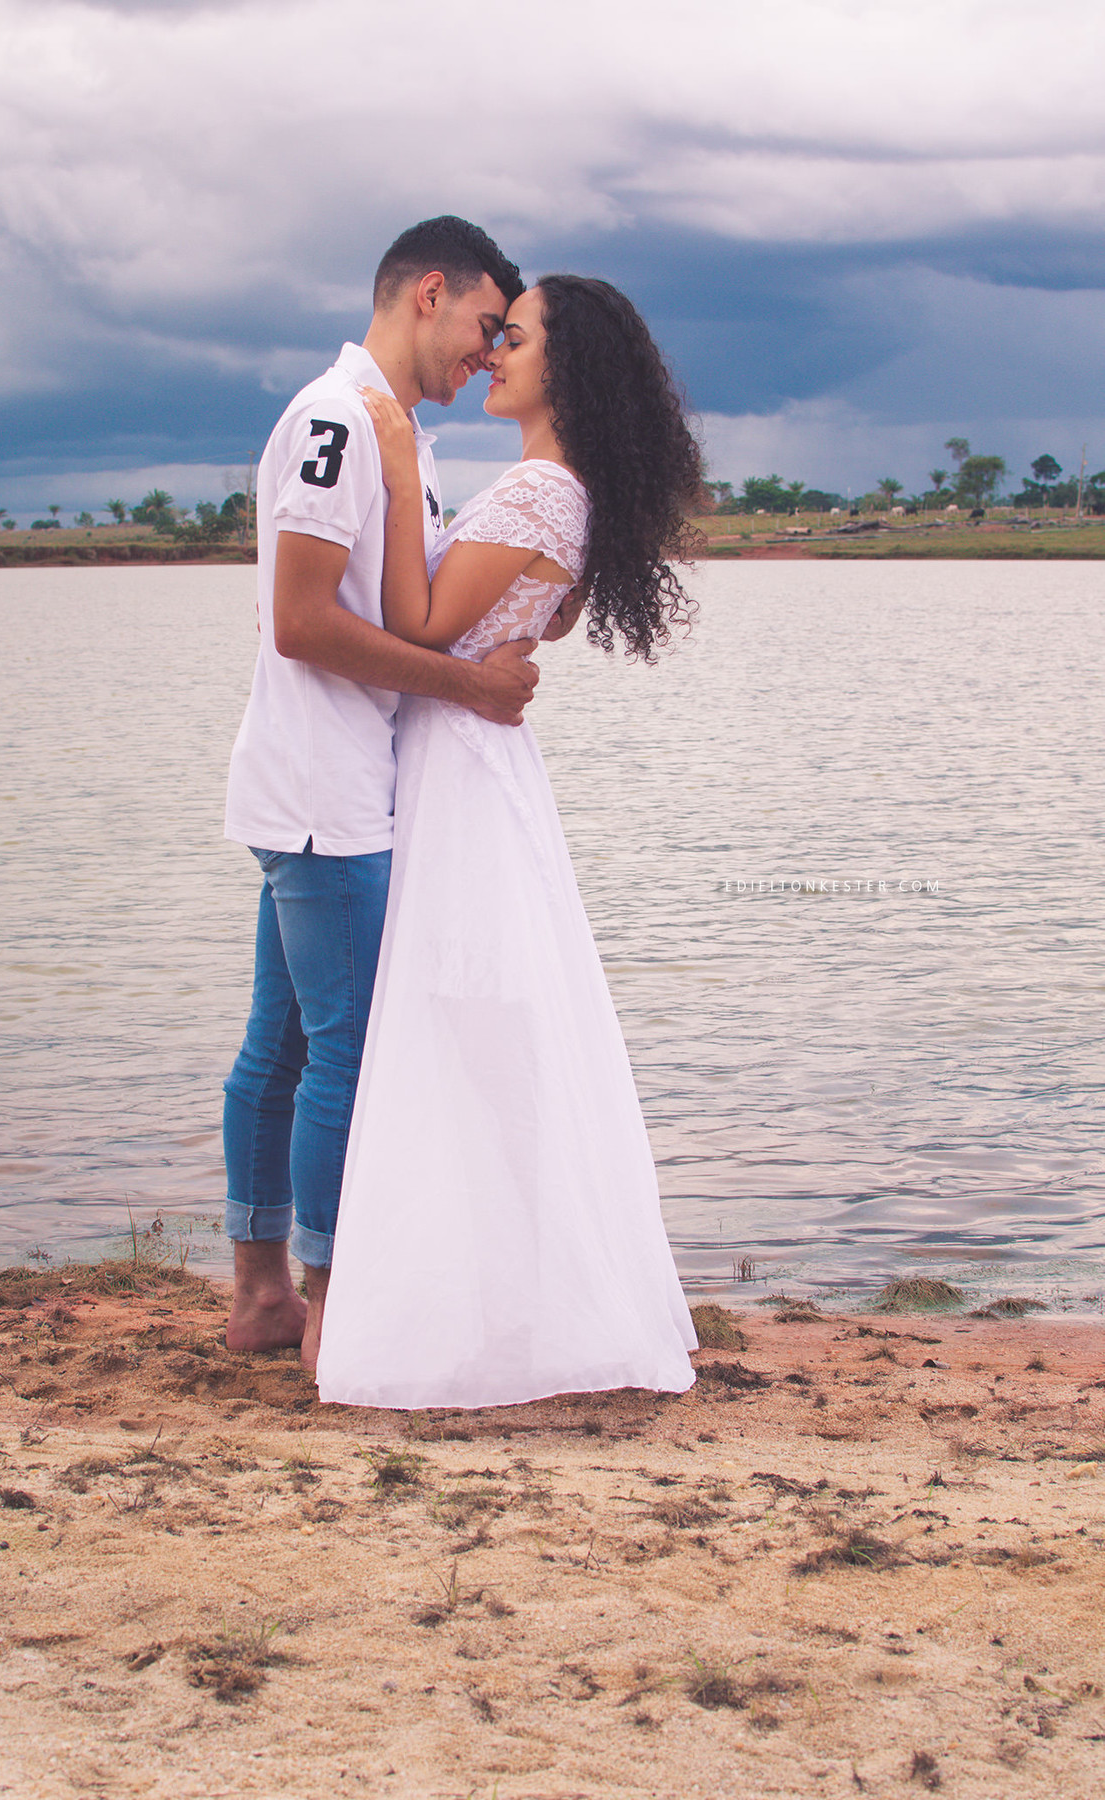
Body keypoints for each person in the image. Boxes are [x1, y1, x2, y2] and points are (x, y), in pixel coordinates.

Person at [315, 276, 704, 1408]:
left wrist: (395, 469)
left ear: (565, 370)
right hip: (477, 766)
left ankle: (471, 1315)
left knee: (461, 1031)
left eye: (513, 339)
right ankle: (503, 1299)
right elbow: (521, 625)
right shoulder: (559, 494)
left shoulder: (540, 492)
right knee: (486, 1037)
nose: (492, 354)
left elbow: (415, 627)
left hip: (457, 774)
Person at [222, 217, 548, 1370]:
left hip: (326, 784)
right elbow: (304, 624)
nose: (486, 349)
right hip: (326, 793)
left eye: (505, 336)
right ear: (426, 292)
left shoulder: (393, 432)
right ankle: (328, 1311)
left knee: (282, 1047)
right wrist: (466, 685)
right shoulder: (335, 421)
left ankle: (263, 1301)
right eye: (481, 324)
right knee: (344, 1050)